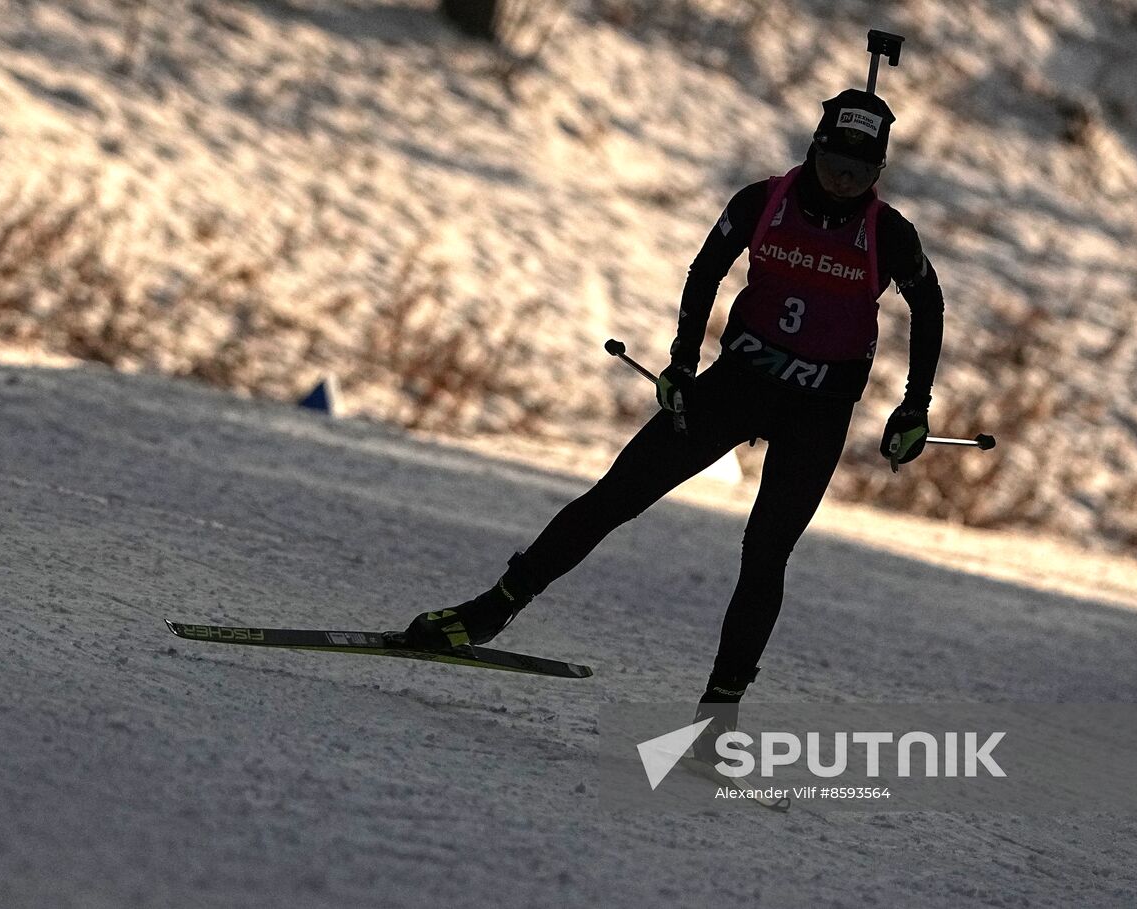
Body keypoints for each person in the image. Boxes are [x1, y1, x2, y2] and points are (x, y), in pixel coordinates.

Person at [404, 88, 944, 755]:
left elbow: (930, 303)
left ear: (879, 172)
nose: (844, 178)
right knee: (613, 497)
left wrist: (914, 403)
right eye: (836, 159)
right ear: (815, 145)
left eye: (862, 170)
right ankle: (488, 611)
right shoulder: (764, 200)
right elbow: (706, 269)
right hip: (737, 386)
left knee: (766, 552)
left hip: (819, 409)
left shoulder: (888, 233)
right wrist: (683, 361)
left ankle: (718, 720)